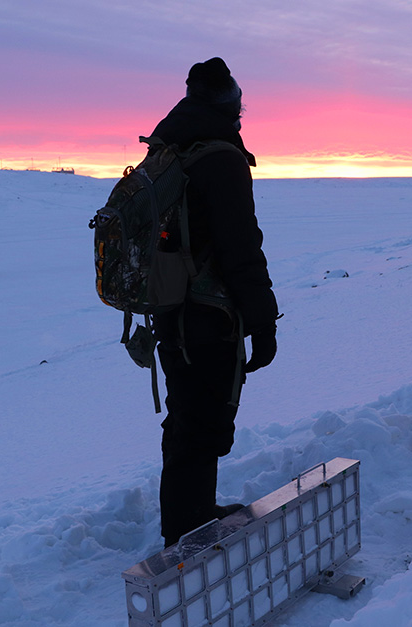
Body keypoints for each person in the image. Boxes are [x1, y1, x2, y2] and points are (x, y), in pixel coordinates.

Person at [150, 58, 279, 547]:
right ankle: (188, 532)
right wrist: (263, 323)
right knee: (204, 416)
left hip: (169, 306)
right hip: (207, 310)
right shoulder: (219, 158)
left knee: (187, 412)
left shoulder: (169, 148)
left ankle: (191, 515)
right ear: (229, 103)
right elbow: (240, 248)